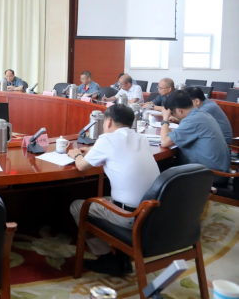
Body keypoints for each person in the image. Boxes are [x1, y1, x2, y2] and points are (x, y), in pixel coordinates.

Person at [68, 104, 159, 276]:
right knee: (111, 197)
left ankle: (107, 258)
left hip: (128, 216)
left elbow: (81, 166)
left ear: (108, 122)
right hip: (151, 213)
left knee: (78, 206)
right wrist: (93, 151)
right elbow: (120, 153)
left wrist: (77, 155)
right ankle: (123, 256)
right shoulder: (142, 138)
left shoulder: (107, 139)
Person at [160, 90, 230, 186]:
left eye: (172, 113)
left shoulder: (192, 120)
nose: (171, 115)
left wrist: (165, 119)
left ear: (179, 111)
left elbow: (164, 142)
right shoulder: (201, 114)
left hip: (211, 175)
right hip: (217, 169)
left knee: (161, 170)